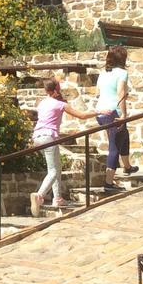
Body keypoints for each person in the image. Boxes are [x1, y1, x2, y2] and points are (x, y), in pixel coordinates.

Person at [31, 78, 97, 209]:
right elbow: (82, 115)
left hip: (37, 137)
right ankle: (39, 195)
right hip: (49, 137)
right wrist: (98, 111)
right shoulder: (60, 104)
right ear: (56, 89)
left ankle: (57, 198)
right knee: (54, 171)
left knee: (56, 167)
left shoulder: (42, 103)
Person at [97, 45, 137, 191]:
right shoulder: (122, 73)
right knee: (114, 146)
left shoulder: (103, 73)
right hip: (113, 113)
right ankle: (109, 183)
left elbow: (97, 93)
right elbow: (120, 94)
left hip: (100, 112)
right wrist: (124, 115)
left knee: (124, 135)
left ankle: (127, 166)